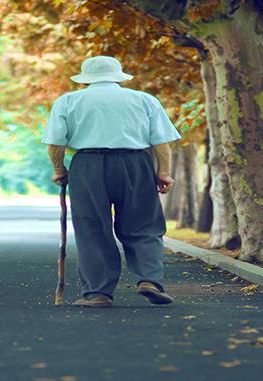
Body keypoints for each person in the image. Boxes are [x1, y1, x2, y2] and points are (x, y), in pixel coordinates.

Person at [41, 55, 182, 307]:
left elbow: (55, 143)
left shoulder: (68, 101)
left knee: (92, 228)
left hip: (88, 165)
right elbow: (161, 142)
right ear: (118, 76)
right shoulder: (144, 100)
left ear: (85, 79)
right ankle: (149, 279)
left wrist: (58, 169)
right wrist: (164, 173)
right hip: (135, 163)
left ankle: (98, 293)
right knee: (144, 225)